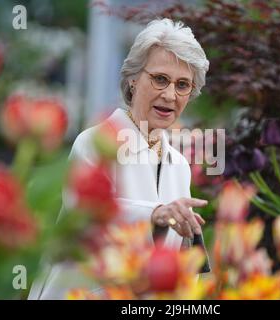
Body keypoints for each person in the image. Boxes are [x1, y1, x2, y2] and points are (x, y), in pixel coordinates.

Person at [28, 18, 210, 300]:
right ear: (134, 79)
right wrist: (155, 214)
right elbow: (85, 218)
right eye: (160, 79)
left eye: (183, 85)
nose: (170, 95)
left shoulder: (179, 166)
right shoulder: (94, 142)